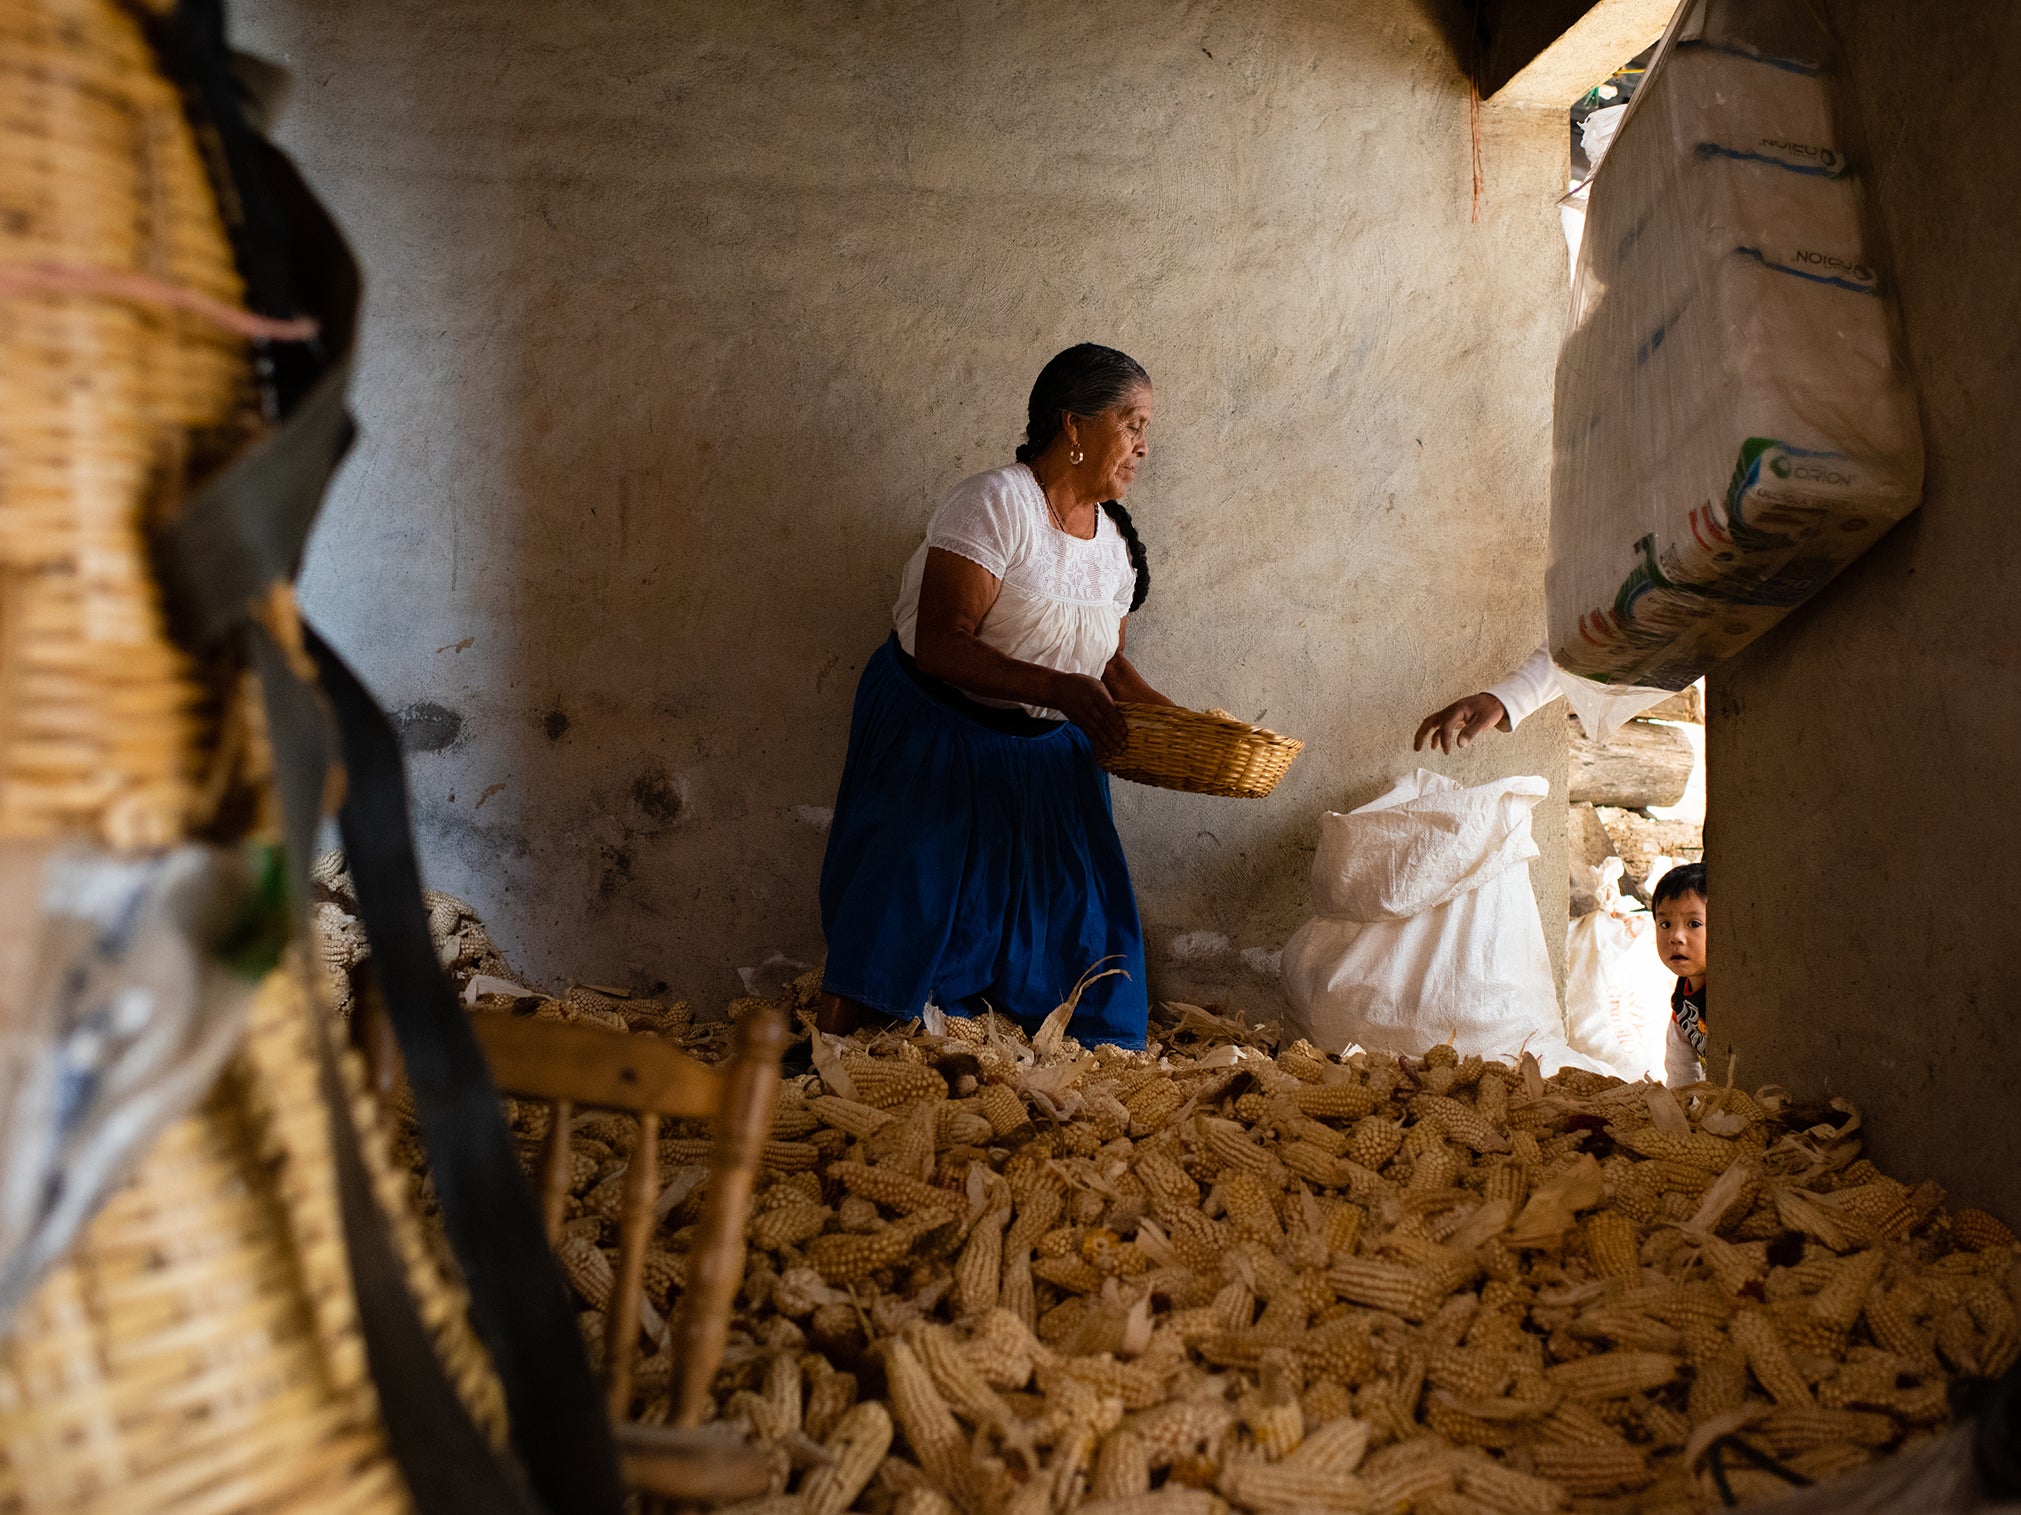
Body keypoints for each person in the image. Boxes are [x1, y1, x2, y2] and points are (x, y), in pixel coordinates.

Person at [813, 344, 1175, 1049]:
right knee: (904, 890)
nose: (1142, 445)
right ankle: (832, 1045)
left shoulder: (1114, 550)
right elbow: (941, 643)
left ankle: (1056, 1039)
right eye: (1130, 424)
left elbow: (1108, 667)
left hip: (1045, 747)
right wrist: (1061, 691)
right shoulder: (994, 504)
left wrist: (1179, 727)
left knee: (1077, 907)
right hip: (938, 727)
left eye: (1144, 428)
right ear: (1073, 427)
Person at [1651, 862, 1708, 1085]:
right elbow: (1680, 1064)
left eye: (1694, 924)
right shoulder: (1682, 999)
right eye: (1665, 924)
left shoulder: (1727, 998)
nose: (1676, 936)